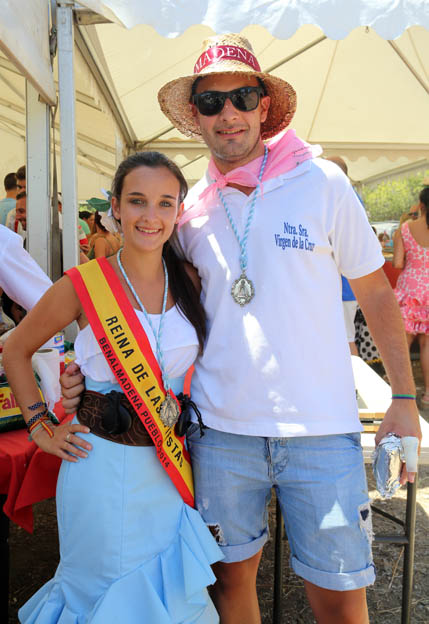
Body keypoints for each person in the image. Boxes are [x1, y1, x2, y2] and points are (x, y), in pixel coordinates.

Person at [63, 34, 421, 624]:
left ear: (264, 106)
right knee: (229, 587)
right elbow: (146, 306)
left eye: (242, 96)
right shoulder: (187, 210)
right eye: (210, 102)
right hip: (220, 435)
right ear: (196, 119)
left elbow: (377, 292)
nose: (227, 112)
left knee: (339, 596)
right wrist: (87, 374)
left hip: (322, 434)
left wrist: (404, 398)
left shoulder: (323, 184)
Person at [4, 151, 222, 623]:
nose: (151, 216)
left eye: (165, 203)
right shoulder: (83, 285)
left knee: (166, 596)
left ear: (178, 211)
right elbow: (15, 350)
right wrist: (40, 425)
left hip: (168, 464)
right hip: (100, 465)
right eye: (138, 201)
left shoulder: (188, 280)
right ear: (116, 208)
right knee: (103, 591)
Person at [393, 186, 429, 406]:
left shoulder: (405, 229)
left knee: (402, 343)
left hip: (410, 289)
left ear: (420, 204)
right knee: (427, 345)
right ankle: (428, 394)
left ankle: (401, 394)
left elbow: (397, 262)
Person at [325, 156, 359, 356]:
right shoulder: (345, 198)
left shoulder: (345, 200)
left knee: (346, 339)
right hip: (344, 288)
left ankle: (354, 385)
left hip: (345, 287)